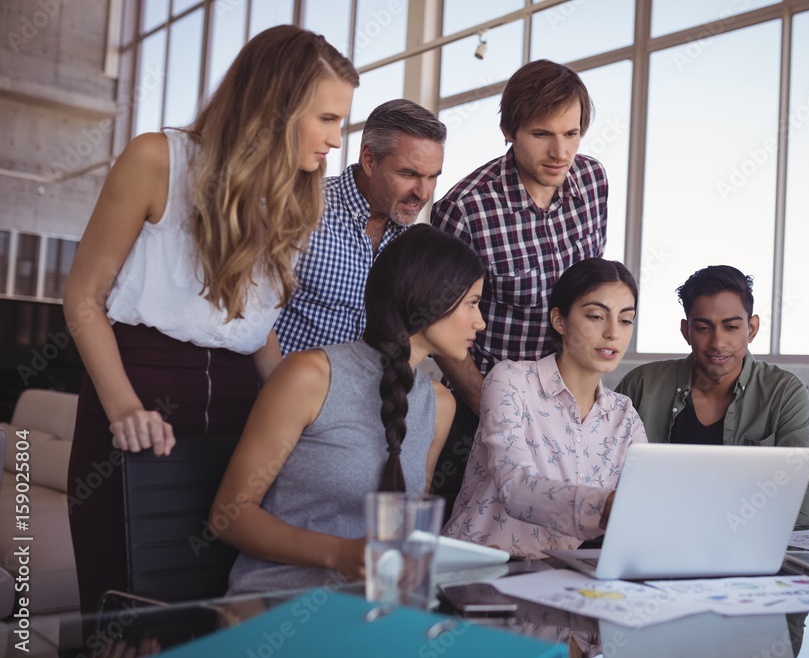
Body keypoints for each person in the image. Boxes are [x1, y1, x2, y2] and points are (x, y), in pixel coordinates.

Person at [63, 25, 359, 612]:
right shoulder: (156, 158)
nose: (335, 139)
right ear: (276, 107)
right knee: (126, 618)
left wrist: (293, 412)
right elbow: (83, 297)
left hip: (236, 410)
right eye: (327, 119)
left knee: (217, 614)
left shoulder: (301, 193)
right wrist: (123, 407)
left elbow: (254, 324)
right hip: (139, 395)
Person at [215, 225, 485, 593]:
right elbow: (229, 516)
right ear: (428, 296)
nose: (479, 321)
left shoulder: (439, 405)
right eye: (471, 303)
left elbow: (407, 530)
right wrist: (341, 554)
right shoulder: (308, 376)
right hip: (276, 601)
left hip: (380, 609)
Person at [430, 59, 609, 513]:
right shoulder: (465, 210)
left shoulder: (592, 181)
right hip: (486, 406)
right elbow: (442, 331)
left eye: (571, 134)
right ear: (509, 130)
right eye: (542, 134)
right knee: (478, 539)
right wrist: (490, 406)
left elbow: (592, 295)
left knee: (568, 536)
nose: (560, 152)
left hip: (570, 406)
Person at [443, 258, 646, 559]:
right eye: (595, 316)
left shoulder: (623, 416)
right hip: (471, 570)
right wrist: (603, 505)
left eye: (626, 319)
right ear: (559, 320)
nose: (613, 333)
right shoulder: (511, 380)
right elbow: (515, 486)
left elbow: (643, 507)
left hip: (557, 582)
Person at [615, 265, 809, 529]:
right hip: (651, 534)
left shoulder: (783, 392)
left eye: (731, 327)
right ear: (686, 331)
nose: (718, 342)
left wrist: (786, 552)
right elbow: (604, 471)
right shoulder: (641, 384)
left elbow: (804, 480)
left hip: (748, 541)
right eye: (703, 328)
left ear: (752, 328)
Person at [275, 99, 447, 354]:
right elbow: (249, 316)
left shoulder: (412, 243)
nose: (423, 193)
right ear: (368, 159)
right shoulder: (301, 209)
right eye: (409, 174)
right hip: (283, 387)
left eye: (432, 176)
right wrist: (282, 390)